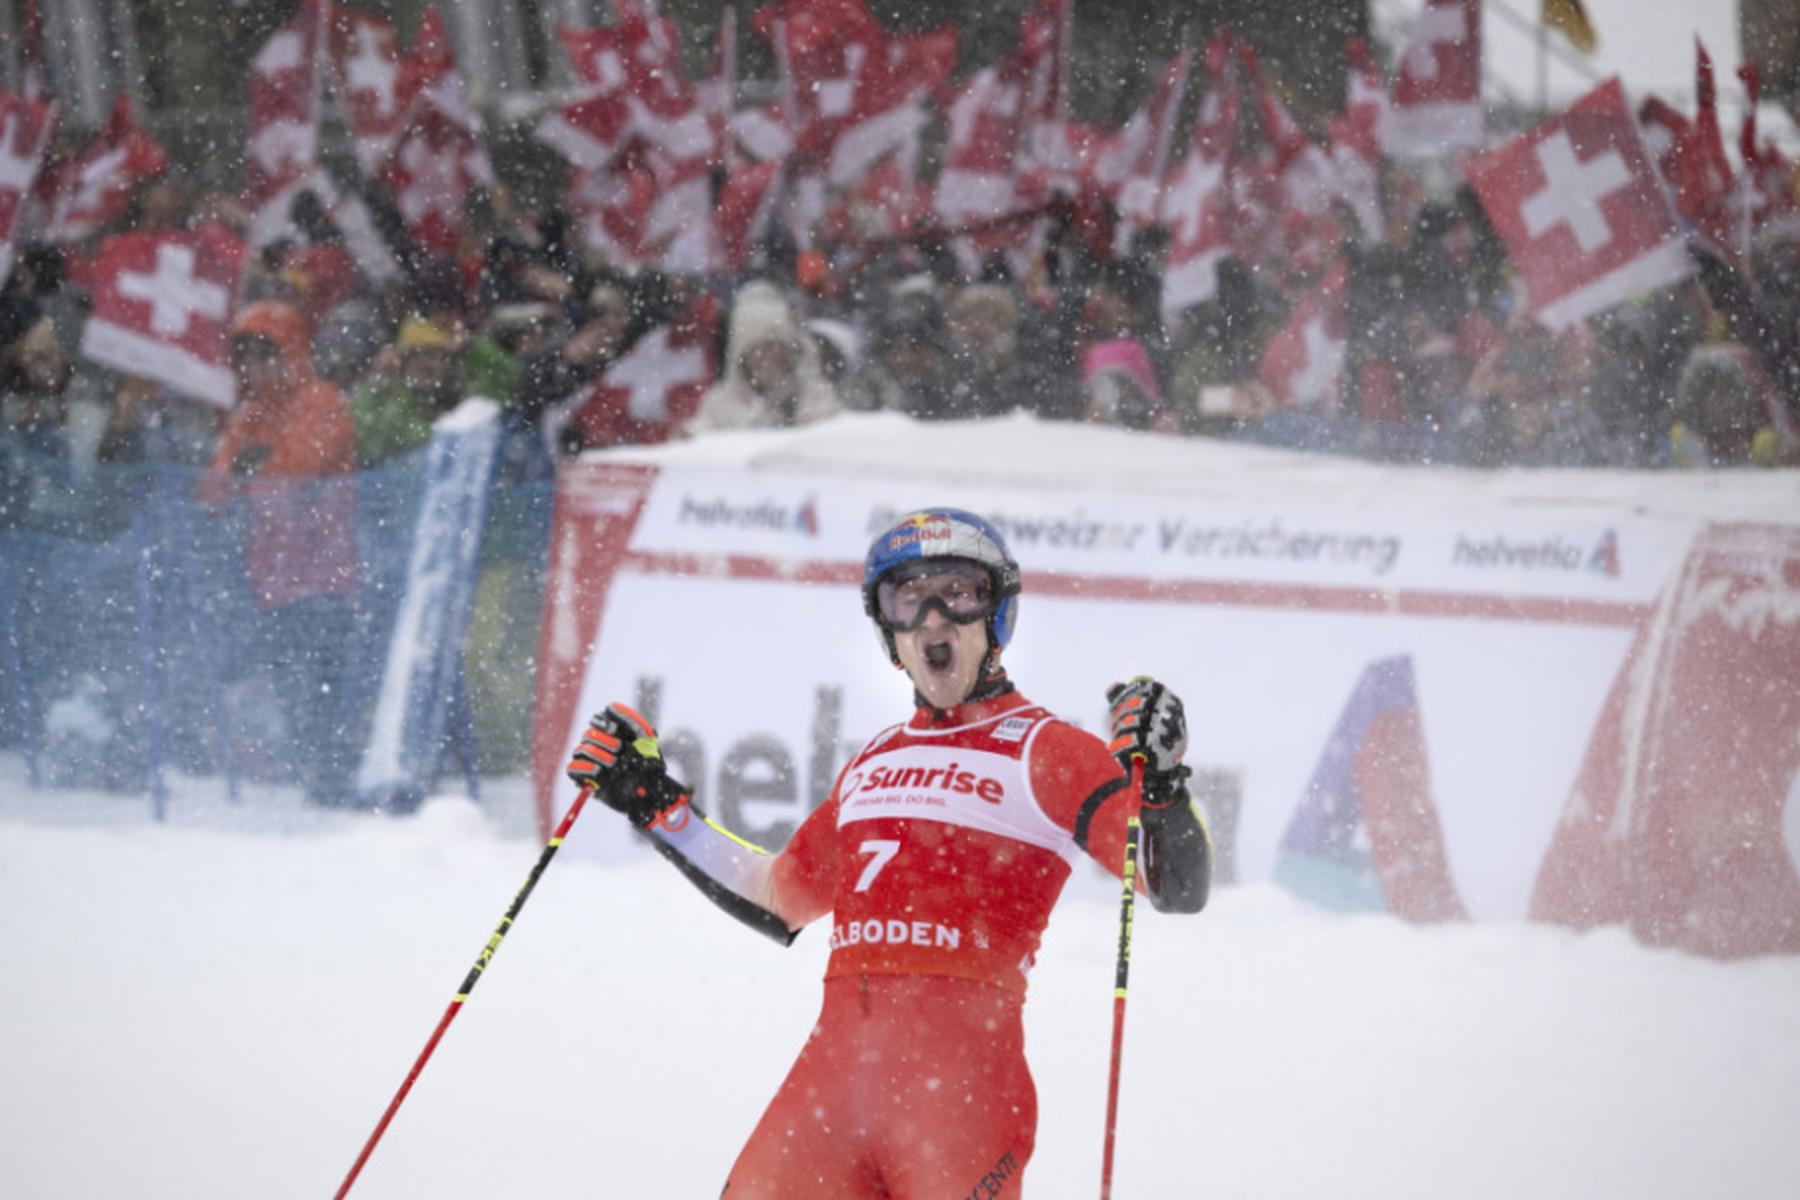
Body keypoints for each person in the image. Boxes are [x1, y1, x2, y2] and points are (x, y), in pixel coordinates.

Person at [566, 508, 1212, 1198]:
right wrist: (657, 808)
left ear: (997, 615)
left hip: (958, 1104)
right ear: (888, 633)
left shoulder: (1048, 749)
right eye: (907, 599)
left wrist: (1165, 788)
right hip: (831, 1097)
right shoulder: (874, 761)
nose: (933, 619)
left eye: (959, 593)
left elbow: (1174, 886)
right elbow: (781, 898)